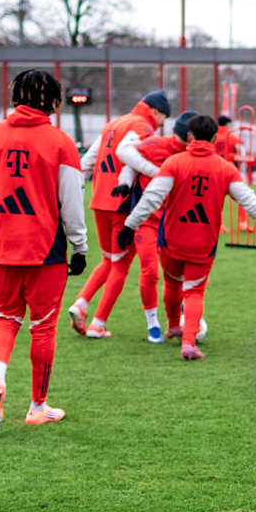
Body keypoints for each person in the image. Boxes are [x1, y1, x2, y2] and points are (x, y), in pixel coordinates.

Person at [119, 115, 256, 360]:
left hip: (172, 239)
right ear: (215, 138)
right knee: (195, 291)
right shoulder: (224, 168)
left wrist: (129, 225)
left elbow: (152, 198)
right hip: (203, 243)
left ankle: (174, 325)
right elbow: (249, 201)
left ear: (189, 136)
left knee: (172, 283)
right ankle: (188, 344)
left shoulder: (174, 163)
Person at [0, 69, 88, 427]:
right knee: (43, 328)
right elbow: (70, 203)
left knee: (4, 319)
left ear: (15, 95)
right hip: (45, 248)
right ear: (54, 101)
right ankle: (38, 406)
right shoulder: (61, 142)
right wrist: (80, 246)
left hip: (0, 243)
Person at [68, 89, 170, 338]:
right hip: (122, 203)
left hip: (99, 200)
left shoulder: (112, 124)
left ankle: (81, 303)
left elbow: (87, 162)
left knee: (108, 261)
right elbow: (130, 158)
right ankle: (98, 324)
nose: (162, 124)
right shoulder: (143, 127)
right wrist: (162, 175)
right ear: (155, 111)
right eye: (163, 118)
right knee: (121, 266)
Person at [110, 110, 198, 343]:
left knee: (177, 277)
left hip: (175, 222)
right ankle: (152, 323)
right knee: (150, 272)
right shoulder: (155, 144)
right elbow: (130, 160)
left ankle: (178, 319)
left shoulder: (195, 155)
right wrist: (125, 182)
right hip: (147, 220)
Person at [213, 114, 247, 232]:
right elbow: (242, 153)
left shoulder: (213, 137)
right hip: (231, 171)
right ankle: (242, 223)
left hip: (215, 170)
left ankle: (220, 225)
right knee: (242, 197)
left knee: (217, 200)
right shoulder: (233, 137)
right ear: (228, 124)